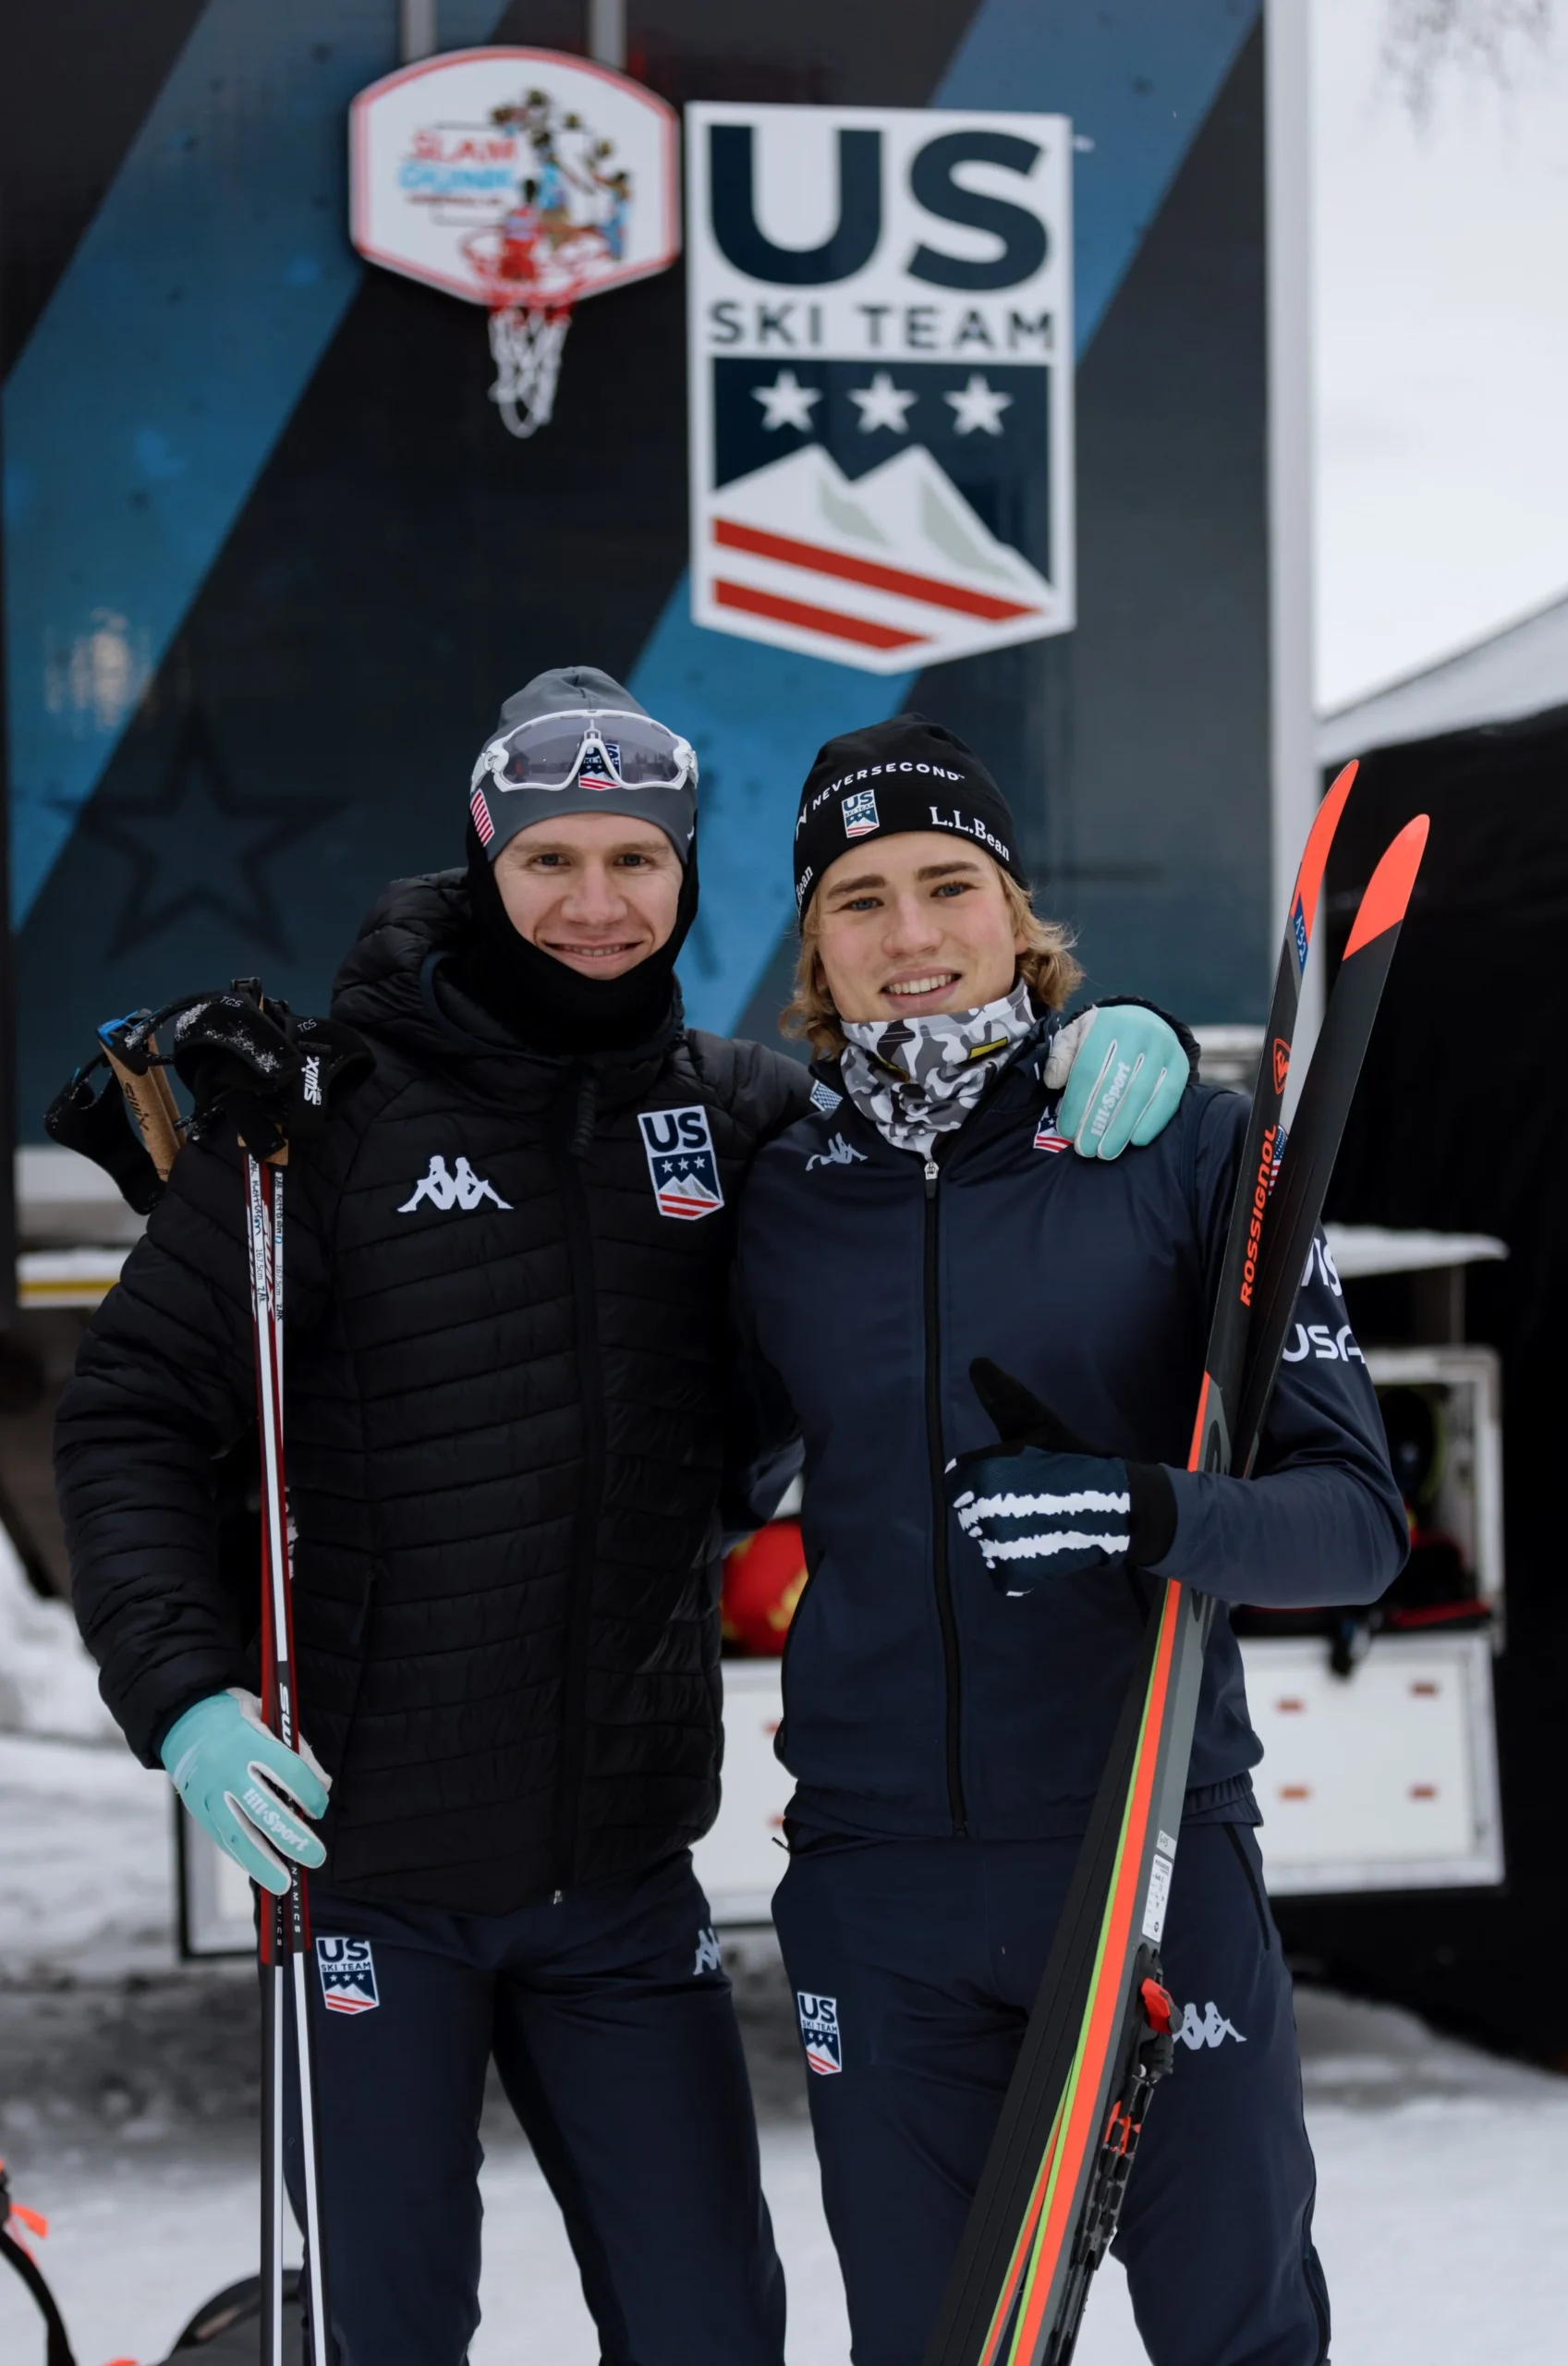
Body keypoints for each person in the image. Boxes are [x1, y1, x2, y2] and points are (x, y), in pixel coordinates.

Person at [55, 669, 1189, 2366]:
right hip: (371, 1875)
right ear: (485, 858)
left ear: (687, 873)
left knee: (711, 2328)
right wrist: (190, 1698)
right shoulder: (318, 1125)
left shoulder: (737, 1115)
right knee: (392, 2327)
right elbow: (133, 1415)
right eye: (552, 861)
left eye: (638, 861)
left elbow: (937, 1143)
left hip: (622, 1878)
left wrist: (1108, 1044)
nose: (596, 905)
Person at [733, 713, 1408, 2366]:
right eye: (859, 898)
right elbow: (693, 1467)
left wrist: (1145, 1512)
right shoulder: (783, 1197)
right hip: (878, 1891)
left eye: (947, 885)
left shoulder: (1182, 1151)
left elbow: (1357, 1526)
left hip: (1145, 1854)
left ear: (1015, 907)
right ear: (813, 941)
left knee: (1235, 2334)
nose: (911, 937)